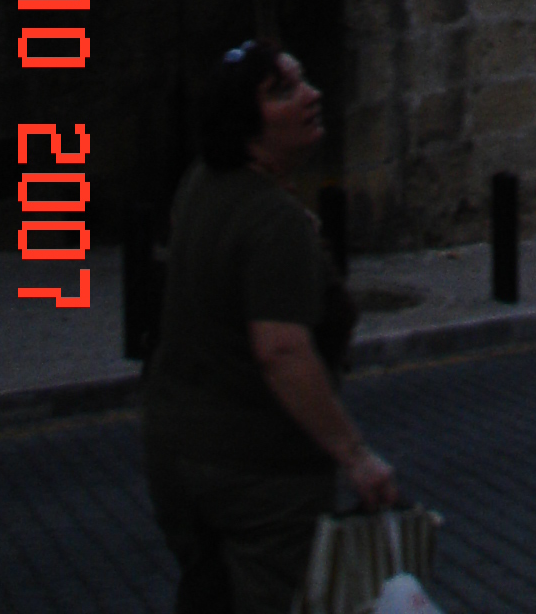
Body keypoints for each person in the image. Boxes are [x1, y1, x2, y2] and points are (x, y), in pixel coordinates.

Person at [142, 39, 396, 614]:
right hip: (258, 470)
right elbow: (281, 349)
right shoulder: (273, 221)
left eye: (303, 81)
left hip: (177, 450)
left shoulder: (204, 181)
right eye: (283, 92)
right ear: (245, 124)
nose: (311, 96)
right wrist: (355, 455)